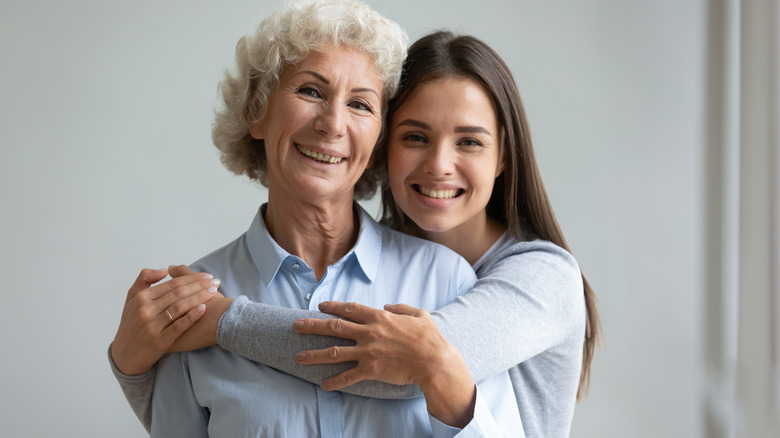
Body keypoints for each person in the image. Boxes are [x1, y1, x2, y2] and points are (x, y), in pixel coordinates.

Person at [111, 26, 600, 438]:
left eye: (469, 141)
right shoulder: (192, 294)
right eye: (415, 136)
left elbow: (401, 370)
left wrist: (224, 324)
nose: (438, 165)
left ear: (503, 157)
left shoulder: (532, 275)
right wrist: (132, 365)